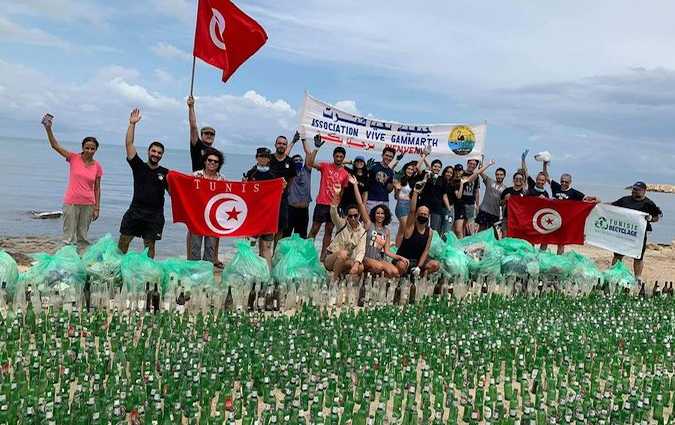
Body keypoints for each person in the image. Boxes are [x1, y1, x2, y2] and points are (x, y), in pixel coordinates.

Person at [41, 113, 103, 246]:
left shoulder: (97, 166)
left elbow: (97, 188)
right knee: (68, 236)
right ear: (82, 148)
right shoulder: (74, 158)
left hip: (88, 204)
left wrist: (97, 208)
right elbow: (55, 146)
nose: (89, 150)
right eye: (87, 148)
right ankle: (66, 262)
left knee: (83, 237)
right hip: (71, 202)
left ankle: (80, 260)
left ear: (96, 149)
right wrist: (48, 129)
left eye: (92, 148)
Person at [118, 108, 169, 259]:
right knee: (123, 242)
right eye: (153, 151)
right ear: (148, 151)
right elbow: (129, 144)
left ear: (162, 155)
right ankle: (118, 269)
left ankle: (148, 272)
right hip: (135, 212)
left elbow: (177, 193)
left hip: (155, 216)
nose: (156, 154)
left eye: (159, 152)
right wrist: (132, 124)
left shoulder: (166, 173)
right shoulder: (139, 166)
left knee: (150, 247)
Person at [187, 96, 223, 264]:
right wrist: (191, 107)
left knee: (213, 232)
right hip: (197, 196)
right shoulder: (197, 146)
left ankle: (212, 260)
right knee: (194, 234)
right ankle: (192, 263)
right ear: (202, 135)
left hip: (211, 201)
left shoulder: (215, 153)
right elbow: (193, 126)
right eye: (206, 133)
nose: (209, 136)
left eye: (212, 134)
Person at [349, 175, 406, 278]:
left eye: (382, 213)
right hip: (365, 258)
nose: (380, 215)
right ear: (374, 214)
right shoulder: (369, 224)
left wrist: (400, 257)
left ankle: (381, 285)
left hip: (379, 259)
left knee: (395, 272)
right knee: (379, 267)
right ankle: (366, 277)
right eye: (378, 213)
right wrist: (355, 185)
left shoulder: (387, 231)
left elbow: (387, 251)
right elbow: (361, 204)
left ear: (386, 215)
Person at [542, 162, 600, 254]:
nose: (564, 183)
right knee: (545, 240)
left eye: (566, 181)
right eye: (562, 181)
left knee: (560, 243)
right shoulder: (556, 186)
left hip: (563, 222)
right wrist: (544, 164)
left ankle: (558, 261)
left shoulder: (574, 193)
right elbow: (546, 176)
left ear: (570, 182)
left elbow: (586, 199)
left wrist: (595, 199)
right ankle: (541, 257)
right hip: (551, 219)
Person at [611, 181, 662, 280]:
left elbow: (657, 217)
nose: (634, 191)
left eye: (637, 190)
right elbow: (611, 206)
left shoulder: (649, 204)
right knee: (618, 255)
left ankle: (637, 277)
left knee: (638, 257)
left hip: (639, 235)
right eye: (633, 189)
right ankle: (614, 273)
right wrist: (598, 204)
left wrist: (651, 218)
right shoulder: (625, 200)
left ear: (644, 191)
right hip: (623, 233)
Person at [307, 143, 350, 261]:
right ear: (333, 156)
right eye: (337, 156)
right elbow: (310, 163)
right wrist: (316, 147)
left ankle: (323, 258)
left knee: (329, 231)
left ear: (343, 157)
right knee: (314, 229)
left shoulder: (345, 174)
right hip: (321, 203)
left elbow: (342, 191)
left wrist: (339, 206)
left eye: (341, 157)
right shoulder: (325, 166)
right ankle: (307, 253)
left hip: (333, 206)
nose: (339, 159)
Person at [244, 147, 282, 268]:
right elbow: (244, 194)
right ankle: (248, 270)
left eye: (266, 156)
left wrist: (282, 188)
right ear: (256, 157)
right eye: (261, 156)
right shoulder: (251, 173)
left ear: (269, 158)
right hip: (253, 217)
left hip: (268, 217)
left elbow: (278, 195)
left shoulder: (274, 175)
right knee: (249, 245)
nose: (263, 158)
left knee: (266, 247)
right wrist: (243, 186)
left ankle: (267, 274)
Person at [394, 182, 440, 277]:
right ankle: (403, 276)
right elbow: (411, 211)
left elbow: (426, 251)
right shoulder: (410, 227)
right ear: (416, 215)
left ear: (428, 216)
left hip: (417, 261)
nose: (423, 215)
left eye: (425, 214)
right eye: (421, 213)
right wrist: (415, 192)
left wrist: (419, 266)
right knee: (401, 266)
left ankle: (418, 276)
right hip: (403, 260)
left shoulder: (430, 232)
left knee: (435, 265)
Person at [189, 148, 225, 264]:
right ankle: (194, 274)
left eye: (216, 161)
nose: (212, 163)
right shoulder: (195, 175)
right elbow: (184, 191)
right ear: (205, 161)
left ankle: (207, 274)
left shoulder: (222, 180)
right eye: (210, 160)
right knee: (194, 248)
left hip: (213, 220)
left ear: (219, 164)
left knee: (210, 249)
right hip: (197, 218)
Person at [323, 188, 365, 281]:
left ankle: (345, 279)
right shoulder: (341, 224)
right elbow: (333, 212)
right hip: (331, 258)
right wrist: (336, 194)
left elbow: (361, 250)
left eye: (355, 216)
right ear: (346, 216)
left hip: (346, 260)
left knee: (360, 267)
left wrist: (356, 265)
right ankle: (333, 281)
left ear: (358, 215)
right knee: (343, 253)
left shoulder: (362, 231)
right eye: (350, 216)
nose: (353, 218)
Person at [285, 135, 317, 238]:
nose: (298, 162)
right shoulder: (289, 173)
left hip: (304, 211)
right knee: (286, 235)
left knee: (302, 237)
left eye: (300, 160)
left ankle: (299, 254)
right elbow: (284, 156)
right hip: (290, 209)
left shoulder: (307, 171)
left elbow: (308, 153)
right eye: (296, 160)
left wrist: (303, 139)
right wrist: (293, 141)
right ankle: (283, 254)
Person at [270, 134, 297, 244]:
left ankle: (275, 255)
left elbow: (291, 179)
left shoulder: (290, 162)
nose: (281, 145)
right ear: (275, 144)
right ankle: (263, 255)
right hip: (269, 199)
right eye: (279, 143)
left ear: (286, 146)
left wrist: (285, 191)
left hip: (283, 200)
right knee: (267, 229)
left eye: (284, 144)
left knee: (280, 229)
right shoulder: (269, 159)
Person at [449, 163, 486, 239]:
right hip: (451, 207)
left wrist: (488, 164)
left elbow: (476, 173)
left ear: (462, 172)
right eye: (456, 170)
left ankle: (461, 246)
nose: (458, 172)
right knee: (452, 229)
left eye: (460, 171)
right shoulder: (449, 180)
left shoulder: (463, 181)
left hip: (460, 207)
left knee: (459, 230)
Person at [393, 161, 421, 247]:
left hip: (411, 205)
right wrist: (397, 190)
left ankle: (397, 248)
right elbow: (396, 197)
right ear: (405, 170)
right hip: (401, 205)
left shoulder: (414, 181)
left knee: (402, 230)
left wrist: (424, 156)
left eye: (412, 169)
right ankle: (401, 249)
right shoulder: (400, 179)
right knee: (406, 229)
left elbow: (419, 170)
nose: (410, 170)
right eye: (408, 169)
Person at [364, 147, 396, 212]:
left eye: (390, 156)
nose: (388, 158)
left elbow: (389, 190)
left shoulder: (390, 171)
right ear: (382, 155)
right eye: (386, 155)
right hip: (371, 200)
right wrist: (366, 171)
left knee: (383, 221)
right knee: (370, 221)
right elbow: (364, 180)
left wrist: (393, 181)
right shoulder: (373, 165)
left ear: (392, 158)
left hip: (384, 201)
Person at [476, 162, 506, 231]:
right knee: (481, 231)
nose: (499, 176)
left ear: (504, 176)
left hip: (495, 214)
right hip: (484, 210)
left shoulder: (506, 189)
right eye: (497, 174)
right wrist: (483, 163)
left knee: (491, 233)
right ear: (495, 175)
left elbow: (503, 204)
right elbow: (480, 172)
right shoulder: (489, 181)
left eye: (501, 175)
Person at [461, 159, 481, 236]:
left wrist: (477, 205)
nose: (472, 165)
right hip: (460, 202)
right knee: (460, 223)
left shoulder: (476, 177)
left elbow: (476, 191)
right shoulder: (461, 173)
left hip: (470, 203)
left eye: (474, 164)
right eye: (470, 163)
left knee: (470, 224)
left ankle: (468, 239)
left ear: (476, 166)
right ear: (467, 163)